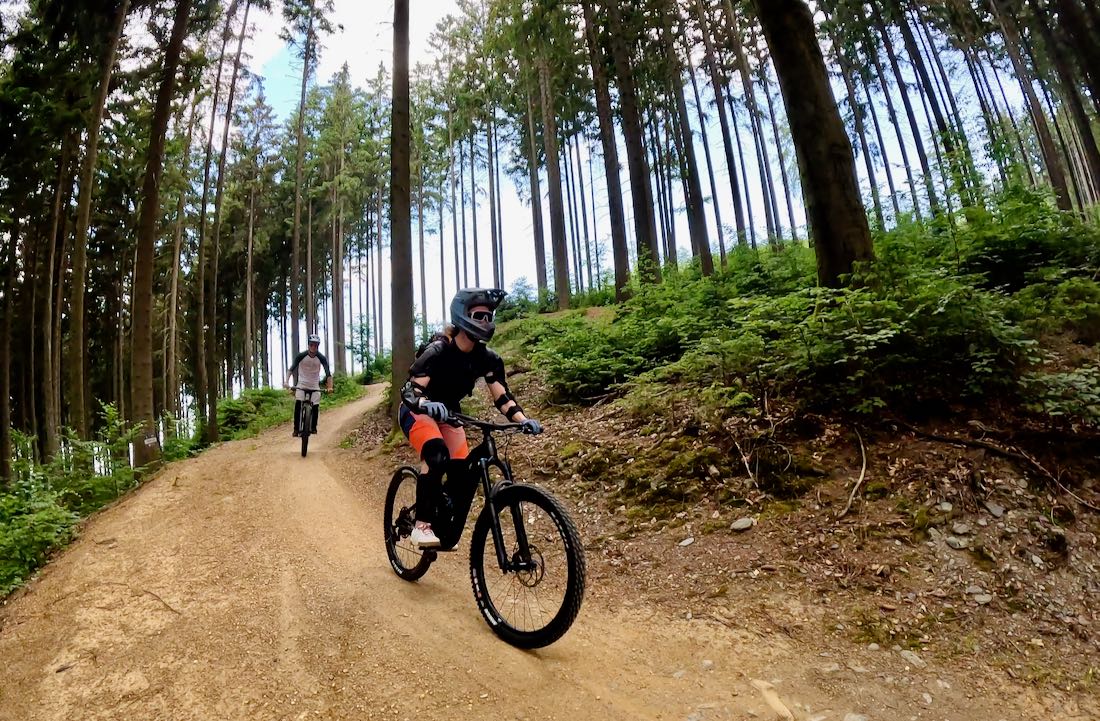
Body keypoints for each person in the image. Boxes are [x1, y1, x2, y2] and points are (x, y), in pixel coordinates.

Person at [399, 288, 542, 548]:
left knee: (459, 473)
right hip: (417, 411)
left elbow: (502, 397)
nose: (486, 322)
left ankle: (443, 519)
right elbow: (411, 390)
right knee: (436, 454)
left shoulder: (487, 359)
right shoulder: (439, 349)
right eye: (479, 315)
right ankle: (421, 525)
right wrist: (426, 404)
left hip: (450, 414)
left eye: (489, 317)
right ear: (462, 316)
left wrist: (522, 419)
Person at [285, 333, 333, 437]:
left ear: (318, 346)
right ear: (308, 345)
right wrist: (286, 382)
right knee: (298, 404)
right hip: (302, 384)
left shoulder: (321, 358)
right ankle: (296, 429)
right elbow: (291, 369)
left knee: (315, 405)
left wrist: (330, 387)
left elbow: (328, 374)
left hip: (314, 385)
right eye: (311, 345)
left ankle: (313, 427)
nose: (313, 347)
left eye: (315, 345)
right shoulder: (301, 356)